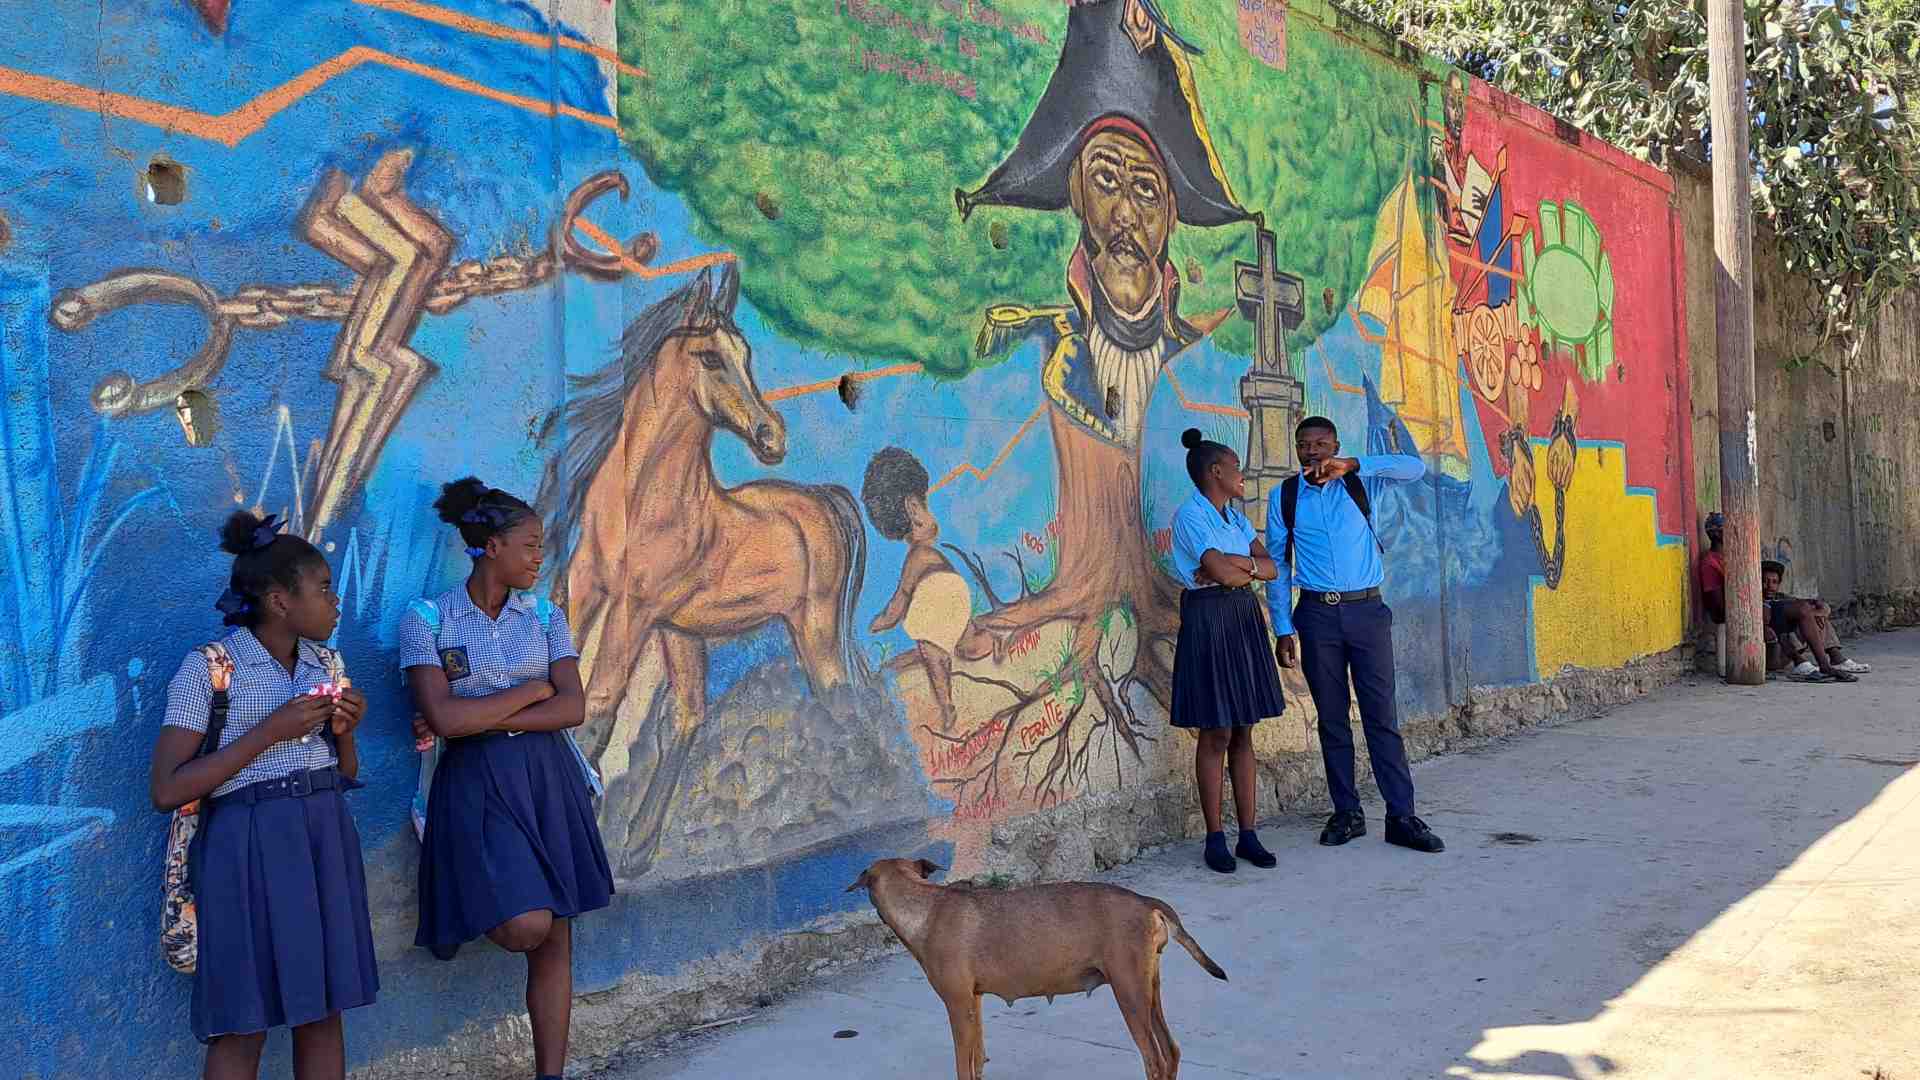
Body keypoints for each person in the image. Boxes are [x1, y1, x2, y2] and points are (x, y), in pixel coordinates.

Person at [149, 510, 375, 1080]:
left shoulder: (326, 664)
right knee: (241, 1017)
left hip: (323, 834)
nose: (335, 600)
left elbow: (344, 771)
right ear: (280, 600)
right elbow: (166, 788)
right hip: (245, 845)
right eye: (323, 588)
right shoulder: (210, 669)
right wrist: (268, 733)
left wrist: (346, 734)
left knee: (323, 1009)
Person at [402, 477, 614, 1080]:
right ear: (491, 547)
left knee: (555, 936)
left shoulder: (546, 615)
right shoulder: (427, 619)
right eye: (528, 545)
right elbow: (443, 719)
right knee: (526, 924)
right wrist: (531, 690)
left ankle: (551, 1074)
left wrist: (483, 715)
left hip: (548, 777)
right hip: (474, 782)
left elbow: (572, 708)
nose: (538, 557)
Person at [1266, 416, 1444, 854]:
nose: (1313, 452)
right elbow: (1276, 564)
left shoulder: (1362, 482)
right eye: (1304, 444)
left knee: (1382, 716)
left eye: (1322, 443)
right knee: (1331, 719)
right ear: (1296, 449)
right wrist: (1283, 626)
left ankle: (1401, 815)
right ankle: (1347, 812)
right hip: (1315, 615)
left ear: (1336, 445)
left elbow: (1414, 467)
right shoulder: (1285, 497)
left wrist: (1354, 464)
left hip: (1367, 610)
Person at [1168, 428, 1286, 874]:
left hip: (1241, 619)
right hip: (1209, 619)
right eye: (1236, 468)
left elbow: (1269, 568)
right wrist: (1239, 569)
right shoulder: (1191, 516)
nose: (1242, 476)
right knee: (1215, 730)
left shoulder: (1234, 520)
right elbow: (1227, 574)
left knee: (1243, 728)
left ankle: (1249, 834)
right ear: (1216, 472)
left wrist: (1236, 566)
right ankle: (1215, 835)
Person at [862, 447, 994, 731]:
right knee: (960, 639)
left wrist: (882, 621)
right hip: (954, 597)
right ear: (912, 508)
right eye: (925, 504)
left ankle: (946, 705)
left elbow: (899, 600)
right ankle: (983, 644)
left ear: (911, 510)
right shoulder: (927, 555)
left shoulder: (917, 558)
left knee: (932, 652)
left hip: (942, 599)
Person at [1762, 560, 1867, 682]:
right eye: (1765, 581)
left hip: (1791, 644)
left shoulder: (1780, 597)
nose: (1770, 586)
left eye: (1774, 582)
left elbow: (1822, 607)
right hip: (1775, 653)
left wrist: (1817, 613)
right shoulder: (1754, 601)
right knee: (1795, 610)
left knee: (1813, 614)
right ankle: (1809, 664)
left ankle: (1836, 658)